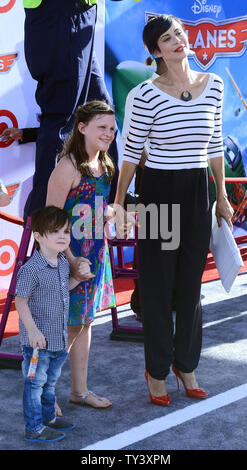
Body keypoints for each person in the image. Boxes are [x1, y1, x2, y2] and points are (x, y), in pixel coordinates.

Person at [114, 14, 234, 406]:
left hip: (198, 189)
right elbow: (131, 154)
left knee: (191, 287)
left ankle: (187, 364)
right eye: (168, 38)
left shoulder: (214, 85)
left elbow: (215, 144)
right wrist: (118, 203)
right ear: (155, 52)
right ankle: (158, 369)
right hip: (157, 192)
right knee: (157, 284)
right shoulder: (144, 94)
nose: (179, 41)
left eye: (179, 33)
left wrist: (222, 196)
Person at [46, 100, 116, 412]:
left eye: (113, 128)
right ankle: (45, 393)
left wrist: (111, 213)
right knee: (62, 326)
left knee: (85, 322)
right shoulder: (67, 168)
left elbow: (98, 211)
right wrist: (73, 262)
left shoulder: (107, 167)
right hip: (67, 259)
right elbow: (51, 221)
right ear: (82, 127)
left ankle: (79, 390)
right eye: (102, 127)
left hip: (95, 257)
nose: (109, 133)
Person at [22, 0, 118, 217]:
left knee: (103, 115)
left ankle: (108, 196)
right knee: (61, 121)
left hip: (81, 18)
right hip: (59, 17)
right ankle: (45, 213)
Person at [15, 206, 92, 442]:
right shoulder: (30, 270)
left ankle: (49, 419)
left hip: (57, 339)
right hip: (37, 343)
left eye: (66, 232)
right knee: (35, 385)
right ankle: (34, 428)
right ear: (37, 236)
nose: (63, 237)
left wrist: (77, 279)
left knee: (49, 383)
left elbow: (62, 290)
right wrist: (32, 331)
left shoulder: (60, 261)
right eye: (55, 231)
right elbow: (21, 302)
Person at [122, 57, 167, 321]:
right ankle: (143, 304)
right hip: (152, 177)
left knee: (174, 244)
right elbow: (131, 140)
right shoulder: (139, 93)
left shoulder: (192, 89)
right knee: (153, 242)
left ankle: (169, 299)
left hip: (183, 179)